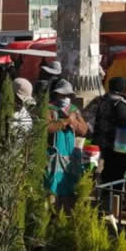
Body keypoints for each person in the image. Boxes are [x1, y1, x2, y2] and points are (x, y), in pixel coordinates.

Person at [45, 79, 88, 209]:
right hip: (53, 155)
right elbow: (47, 128)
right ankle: (52, 210)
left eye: (68, 95)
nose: (65, 98)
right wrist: (65, 121)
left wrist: (74, 122)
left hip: (69, 155)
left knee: (69, 185)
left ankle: (65, 211)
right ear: (56, 94)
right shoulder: (49, 108)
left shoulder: (74, 110)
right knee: (52, 185)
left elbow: (84, 130)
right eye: (62, 95)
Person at [94, 77, 126, 186]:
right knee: (119, 170)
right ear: (122, 87)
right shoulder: (119, 103)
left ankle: (107, 193)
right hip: (119, 143)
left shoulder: (104, 99)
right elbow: (125, 121)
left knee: (108, 167)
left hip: (104, 141)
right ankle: (115, 195)